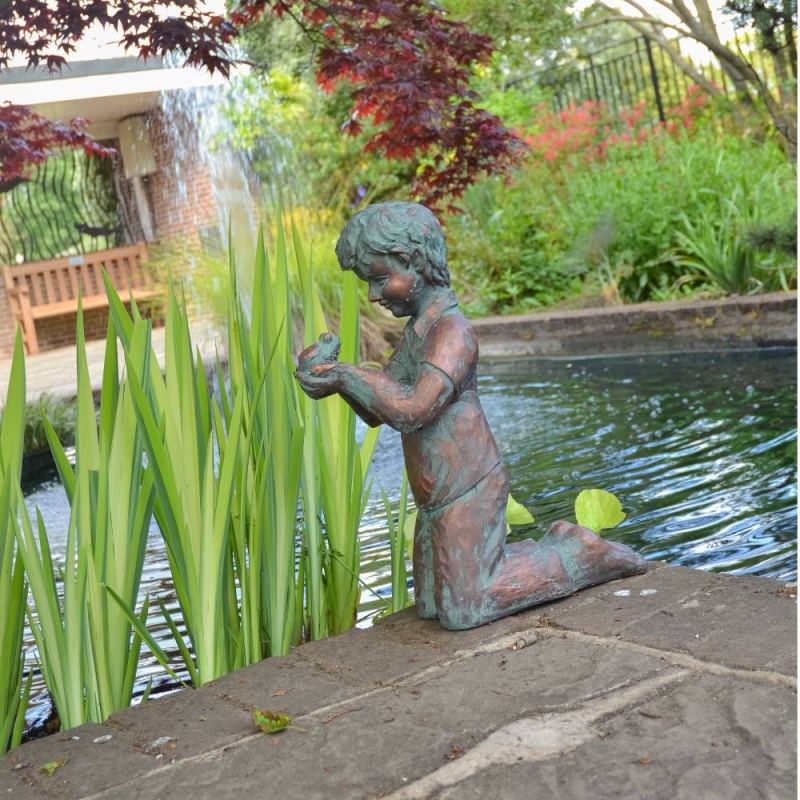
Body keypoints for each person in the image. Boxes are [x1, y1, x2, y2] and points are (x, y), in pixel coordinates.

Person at [295, 201, 647, 630]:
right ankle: (540, 548)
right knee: (431, 606)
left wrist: (349, 374)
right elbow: (378, 412)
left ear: (412, 263)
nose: (372, 295)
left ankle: (578, 555)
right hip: (435, 497)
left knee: (467, 609)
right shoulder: (418, 333)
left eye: (379, 279)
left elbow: (413, 409)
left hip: (469, 485)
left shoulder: (453, 332)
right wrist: (335, 381)